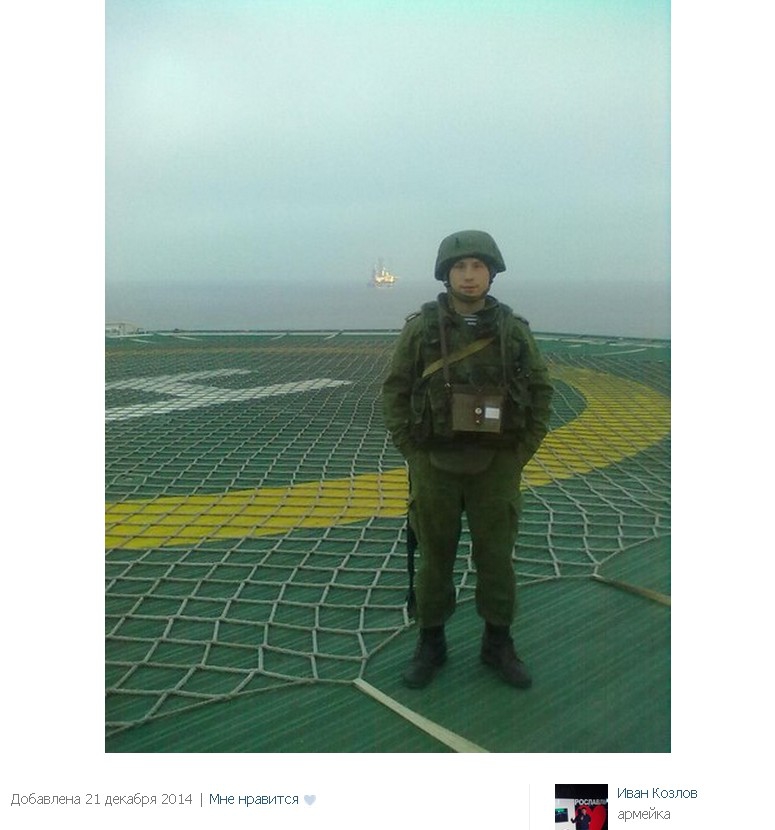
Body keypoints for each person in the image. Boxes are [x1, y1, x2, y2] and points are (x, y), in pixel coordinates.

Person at [382, 229, 553, 689]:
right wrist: (412, 452)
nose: (469, 275)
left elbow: (541, 392)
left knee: (496, 559)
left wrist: (519, 455)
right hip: (434, 464)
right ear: (446, 274)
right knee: (434, 559)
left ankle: (498, 643)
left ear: (492, 273)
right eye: (460, 267)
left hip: (496, 465)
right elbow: (395, 390)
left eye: (478, 266)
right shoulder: (421, 329)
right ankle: (431, 642)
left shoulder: (513, 330)